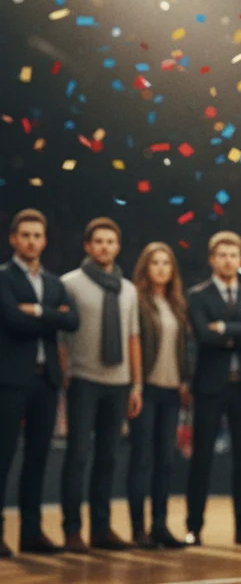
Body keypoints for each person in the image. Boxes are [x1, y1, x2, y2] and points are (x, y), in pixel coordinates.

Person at [60, 217, 143, 553]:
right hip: (82, 380)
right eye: (99, 241)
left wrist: (136, 385)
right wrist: (65, 378)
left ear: (118, 247)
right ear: (87, 246)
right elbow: (60, 337)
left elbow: (133, 337)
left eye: (111, 241)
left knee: (108, 457)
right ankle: (72, 530)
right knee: (77, 456)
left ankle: (101, 528)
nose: (105, 247)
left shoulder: (129, 289)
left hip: (119, 383)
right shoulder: (69, 283)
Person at [0, 209, 78, 557]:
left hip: (46, 381)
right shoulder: (2, 278)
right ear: (13, 239)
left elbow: (72, 320)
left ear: (44, 241)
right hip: (10, 379)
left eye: (37, 236)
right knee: (2, 458)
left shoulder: (53, 282)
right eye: (25, 235)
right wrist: (51, 316)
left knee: (37, 459)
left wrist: (38, 312)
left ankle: (31, 533)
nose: (32, 241)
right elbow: (13, 320)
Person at [186, 230, 241, 547]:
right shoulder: (197, 295)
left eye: (233, 255)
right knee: (202, 459)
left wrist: (223, 328)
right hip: (210, 385)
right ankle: (194, 527)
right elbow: (204, 336)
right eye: (221, 255)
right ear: (212, 259)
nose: (227, 260)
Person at [128, 242, 190, 550]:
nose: (162, 268)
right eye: (155, 263)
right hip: (146, 389)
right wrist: (135, 386)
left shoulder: (177, 303)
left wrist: (184, 381)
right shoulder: (136, 301)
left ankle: (160, 525)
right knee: (142, 459)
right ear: (145, 267)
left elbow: (184, 347)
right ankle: (139, 529)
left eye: (167, 263)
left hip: (171, 390)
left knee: (166, 460)